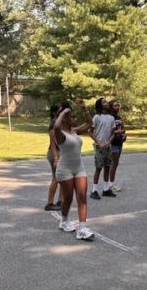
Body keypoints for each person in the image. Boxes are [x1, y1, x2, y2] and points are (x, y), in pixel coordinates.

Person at [53, 100, 95, 240]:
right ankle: (64, 220)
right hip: (64, 170)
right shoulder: (60, 134)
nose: (75, 119)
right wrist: (63, 112)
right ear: (65, 119)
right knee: (68, 199)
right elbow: (56, 127)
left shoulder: (75, 131)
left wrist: (84, 109)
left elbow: (90, 123)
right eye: (72, 116)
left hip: (79, 168)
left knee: (82, 197)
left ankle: (82, 228)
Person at [90, 97, 116, 199]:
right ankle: (94, 190)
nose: (107, 103)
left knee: (107, 167)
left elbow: (113, 133)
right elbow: (90, 132)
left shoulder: (111, 118)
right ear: (100, 105)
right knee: (98, 168)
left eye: (106, 102)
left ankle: (106, 189)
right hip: (99, 147)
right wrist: (98, 142)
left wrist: (109, 142)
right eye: (104, 102)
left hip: (108, 146)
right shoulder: (96, 117)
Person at [44, 103, 63, 211]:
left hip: (60, 153)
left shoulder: (59, 123)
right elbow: (54, 142)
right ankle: (50, 203)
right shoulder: (54, 124)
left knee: (62, 178)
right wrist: (56, 157)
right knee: (56, 178)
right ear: (55, 112)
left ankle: (60, 201)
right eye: (60, 111)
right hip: (55, 153)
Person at [108, 100, 126, 191]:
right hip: (113, 142)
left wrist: (124, 134)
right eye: (115, 105)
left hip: (119, 142)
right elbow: (107, 131)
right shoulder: (109, 117)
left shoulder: (119, 117)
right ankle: (110, 184)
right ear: (110, 107)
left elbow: (123, 129)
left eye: (118, 105)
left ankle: (111, 182)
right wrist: (116, 132)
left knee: (115, 163)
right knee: (113, 163)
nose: (117, 107)